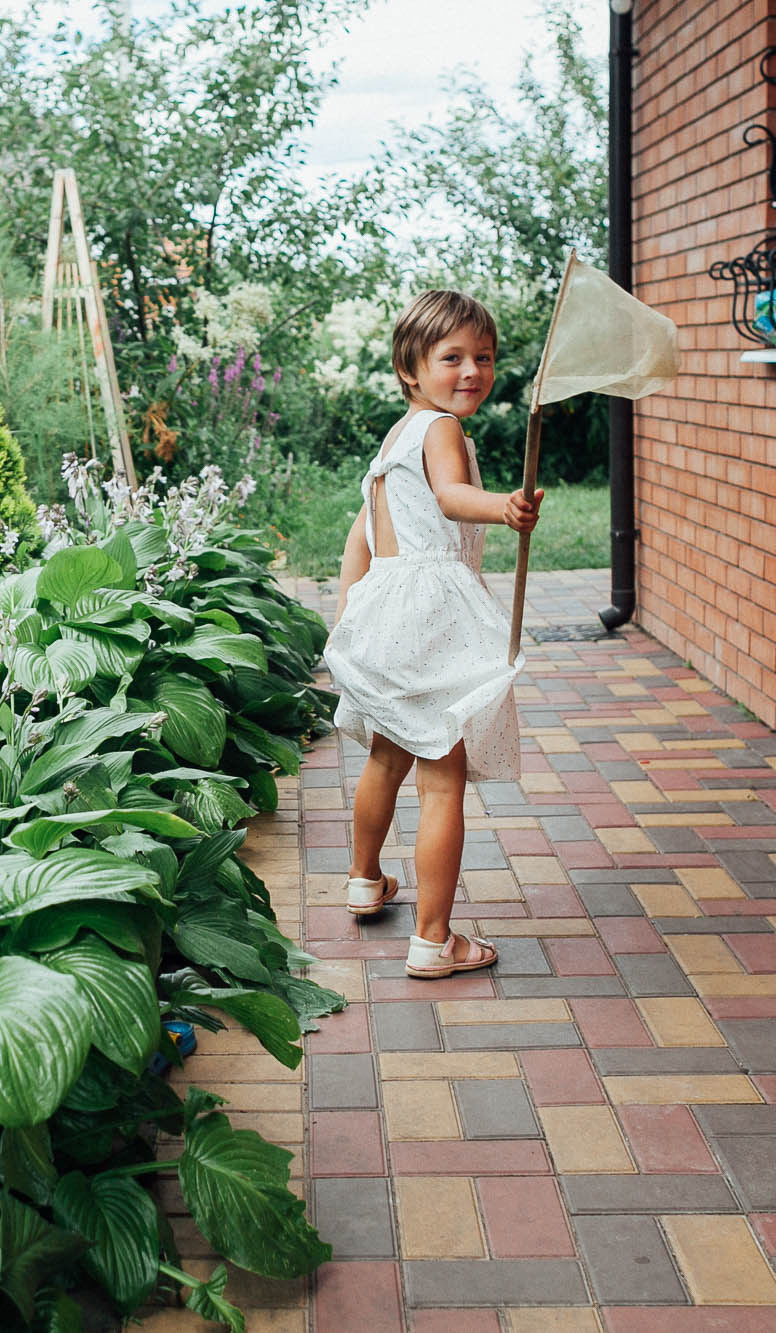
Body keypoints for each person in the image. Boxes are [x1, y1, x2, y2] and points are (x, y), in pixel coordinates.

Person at [325, 290, 542, 979]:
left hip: (387, 612)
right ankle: (433, 939)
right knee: (443, 781)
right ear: (410, 368)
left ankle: (365, 878)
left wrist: (349, 616)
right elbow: (451, 497)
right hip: (431, 618)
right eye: (453, 357)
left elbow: (360, 536)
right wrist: (503, 508)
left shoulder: (396, 437)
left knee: (388, 759)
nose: (472, 370)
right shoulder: (442, 431)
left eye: (484, 356)